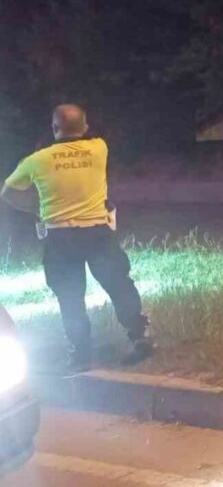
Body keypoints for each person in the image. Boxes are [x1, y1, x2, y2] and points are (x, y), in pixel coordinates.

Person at [1, 105, 151, 371]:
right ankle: (140, 337)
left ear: (54, 128)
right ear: (85, 127)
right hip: (98, 234)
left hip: (61, 238)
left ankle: (81, 354)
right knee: (119, 284)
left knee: (70, 296)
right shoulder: (99, 148)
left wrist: (36, 208)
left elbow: (8, 192)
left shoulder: (37, 160)